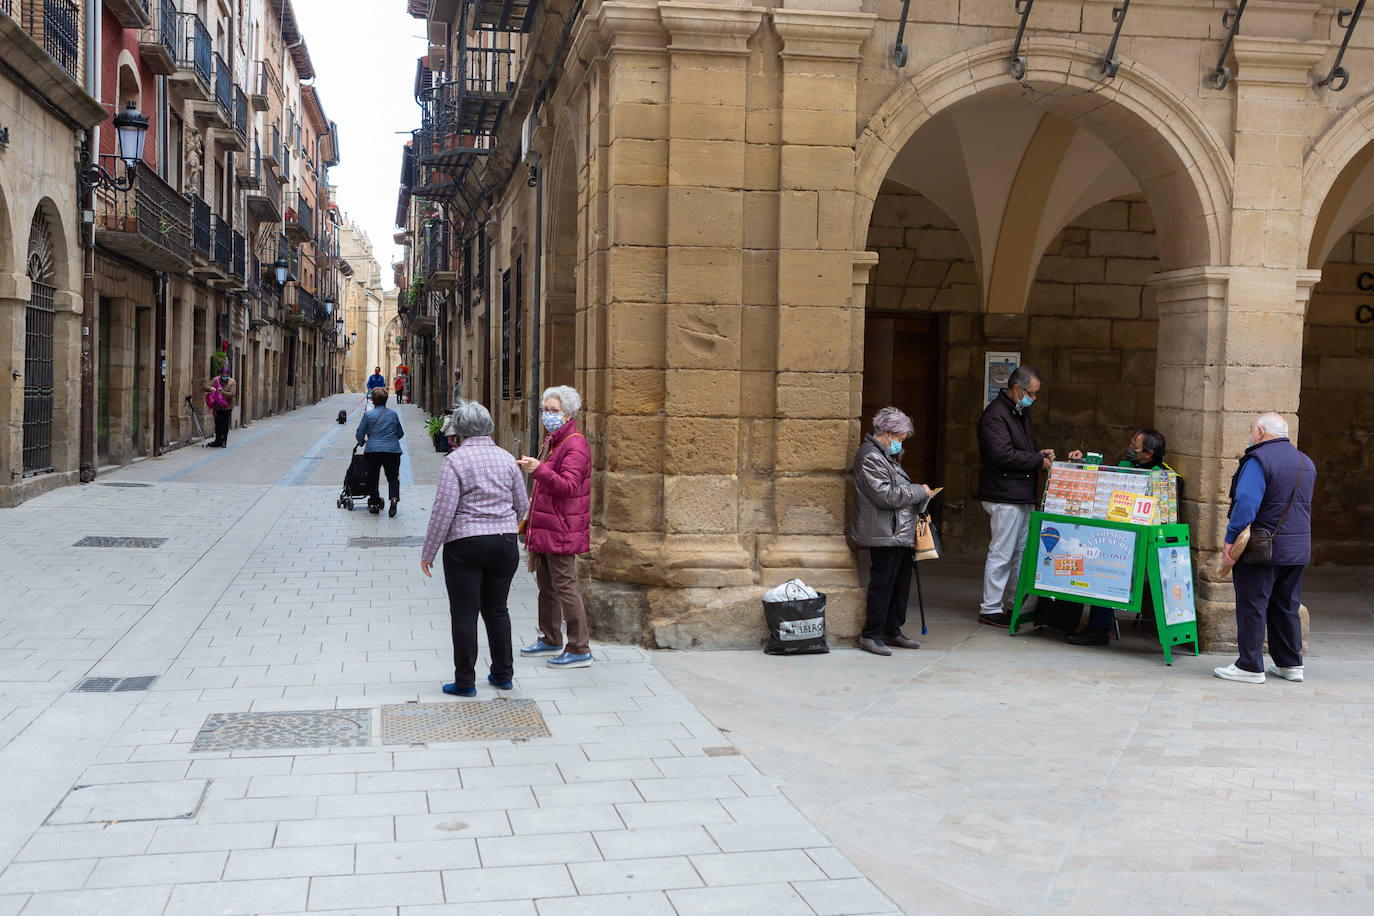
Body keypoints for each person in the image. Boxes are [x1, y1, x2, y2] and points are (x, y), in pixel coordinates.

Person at [420, 401, 528, 697]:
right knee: (497, 610)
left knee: (464, 614)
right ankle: (503, 674)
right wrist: (504, 525)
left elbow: (443, 511)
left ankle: (465, 681)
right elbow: (522, 504)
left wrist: (428, 552)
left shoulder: (455, 462)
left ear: (460, 430)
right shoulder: (506, 459)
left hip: (464, 545)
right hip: (504, 543)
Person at [1215, 412, 1315, 684]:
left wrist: (1231, 539)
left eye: (1251, 429)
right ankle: (1290, 664)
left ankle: (1249, 665)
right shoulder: (1305, 462)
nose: (1251, 435)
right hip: (1296, 548)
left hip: (1262, 547)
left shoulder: (1258, 460)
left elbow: (1246, 502)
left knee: (1253, 605)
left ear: (1260, 431)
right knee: (1286, 606)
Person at [1064, 427, 1172, 646]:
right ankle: (1090, 625)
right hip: (1116, 538)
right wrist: (1083, 460)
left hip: (1143, 544)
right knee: (1097, 559)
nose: (1130, 449)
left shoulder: (1164, 476)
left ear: (1149, 454)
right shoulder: (1125, 466)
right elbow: (1105, 483)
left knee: (1110, 564)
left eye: (1135, 447)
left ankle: (1099, 628)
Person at [516, 385, 593, 669]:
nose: (548, 415)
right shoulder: (555, 440)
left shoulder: (575, 444)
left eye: (553, 411)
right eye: (545, 410)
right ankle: (550, 637)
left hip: (562, 527)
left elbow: (569, 486)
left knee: (564, 585)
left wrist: (540, 470)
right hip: (547, 525)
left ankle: (579, 647)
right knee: (546, 584)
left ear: (569, 413)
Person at [849, 407, 934, 656]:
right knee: (883, 582)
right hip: (884, 531)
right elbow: (886, 495)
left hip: (898, 532)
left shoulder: (885, 455)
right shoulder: (870, 456)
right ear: (887, 433)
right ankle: (871, 634)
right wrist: (920, 491)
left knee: (899, 583)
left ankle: (891, 629)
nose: (900, 444)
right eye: (899, 439)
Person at [977, 365, 1056, 627]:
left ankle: (1013, 603)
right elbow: (1001, 455)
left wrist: (1039, 454)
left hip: (1020, 493)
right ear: (1017, 389)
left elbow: (1022, 448)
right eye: (1031, 394)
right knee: (1002, 552)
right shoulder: (995, 415)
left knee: (1020, 551)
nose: (1034, 398)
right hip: (1004, 494)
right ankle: (990, 607)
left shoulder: (1018, 412)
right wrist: (1037, 460)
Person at [356, 387, 404, 517]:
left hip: (373, 451)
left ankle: (374, 504)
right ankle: (393, 498)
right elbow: (400, 433)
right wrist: (391, 440)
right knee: (393, 477)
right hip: (392, 451)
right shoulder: (393, 414)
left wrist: (362, 441)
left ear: (373, 400)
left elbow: (360, 433)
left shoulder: (368, 415)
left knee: (372, 477)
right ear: (386, 400)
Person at [204, 363, 237, 448]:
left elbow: (232, 394)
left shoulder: (232, 382)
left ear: (228, 375)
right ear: (220, 374)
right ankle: (217, 440)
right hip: (217, 406)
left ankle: (224, 441)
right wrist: (210, 388)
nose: (224, 376)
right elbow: (206, 387)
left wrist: (222, 393)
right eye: (223, 375)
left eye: (226, 375)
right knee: (218, 424)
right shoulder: (216, 379)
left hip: (227, 406)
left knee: (225, 424)